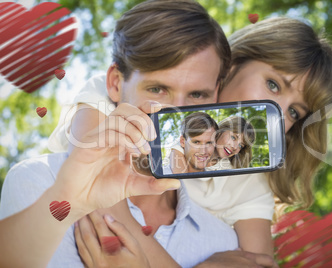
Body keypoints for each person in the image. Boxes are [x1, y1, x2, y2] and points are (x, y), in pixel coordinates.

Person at [0, 0, 277, 267]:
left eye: (196, 94)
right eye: (157, 89)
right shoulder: (38, 182)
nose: (175, 113)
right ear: (115, 84)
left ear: (216, 96)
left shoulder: (223, 244)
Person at [64, 15, 332, 263]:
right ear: (233, 65)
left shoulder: (251, 184)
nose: (280, 113)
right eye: (273, 84)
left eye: (295, 112)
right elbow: (102, 203)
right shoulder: (116, 96)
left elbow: (258, 262)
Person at [169, 115, 255, 173]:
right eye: (233, 137)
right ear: (221, 131)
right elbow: (180, 177)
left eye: (241, 145)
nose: (235, 147)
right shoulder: (193, 140)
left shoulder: (228, 168)